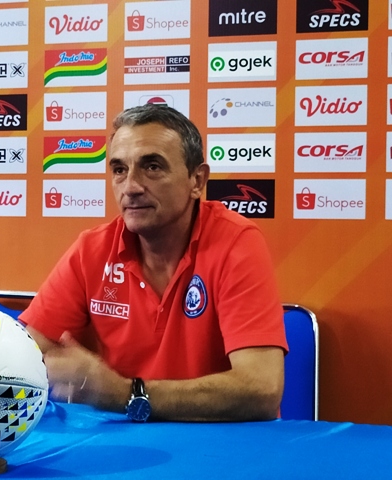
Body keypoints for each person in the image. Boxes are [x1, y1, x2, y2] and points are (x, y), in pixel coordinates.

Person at [19, 104, 288, 422]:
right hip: (125, 441)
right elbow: (25, 355)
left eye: (152, 167)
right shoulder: (91, 249)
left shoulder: (236, 242)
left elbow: (261, 390)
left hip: (219, 440)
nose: (131, 186)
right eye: (119, 169)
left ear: (197, 180)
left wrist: (124, 394)